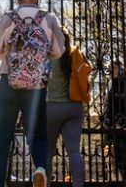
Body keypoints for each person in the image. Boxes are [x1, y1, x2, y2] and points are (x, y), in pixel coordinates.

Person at [0, 0, 65, 187]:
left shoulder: (8, 18)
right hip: (36, 86)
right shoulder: (47, 19)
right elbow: (59, 51)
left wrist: (11, 51)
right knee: (38, 134)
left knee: (3, 137)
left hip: (9, 82)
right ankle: (39, 169)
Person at [45, 28, 92, 187]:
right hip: (74, 107)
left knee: (47, 153)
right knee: (74, 151)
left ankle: (45, 183)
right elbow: (86, 72)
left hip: (52, 107)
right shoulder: (75, 54)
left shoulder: (48, 56)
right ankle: (78, 184)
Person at [102, 60, 126, 182]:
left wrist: (118, 122)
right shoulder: (114, 84)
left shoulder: (125, 85)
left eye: (112, 68)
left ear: (120, 70)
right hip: (116, 129)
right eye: (108, 69)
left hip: (124, 129)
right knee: (121, 161)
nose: (109, 71)